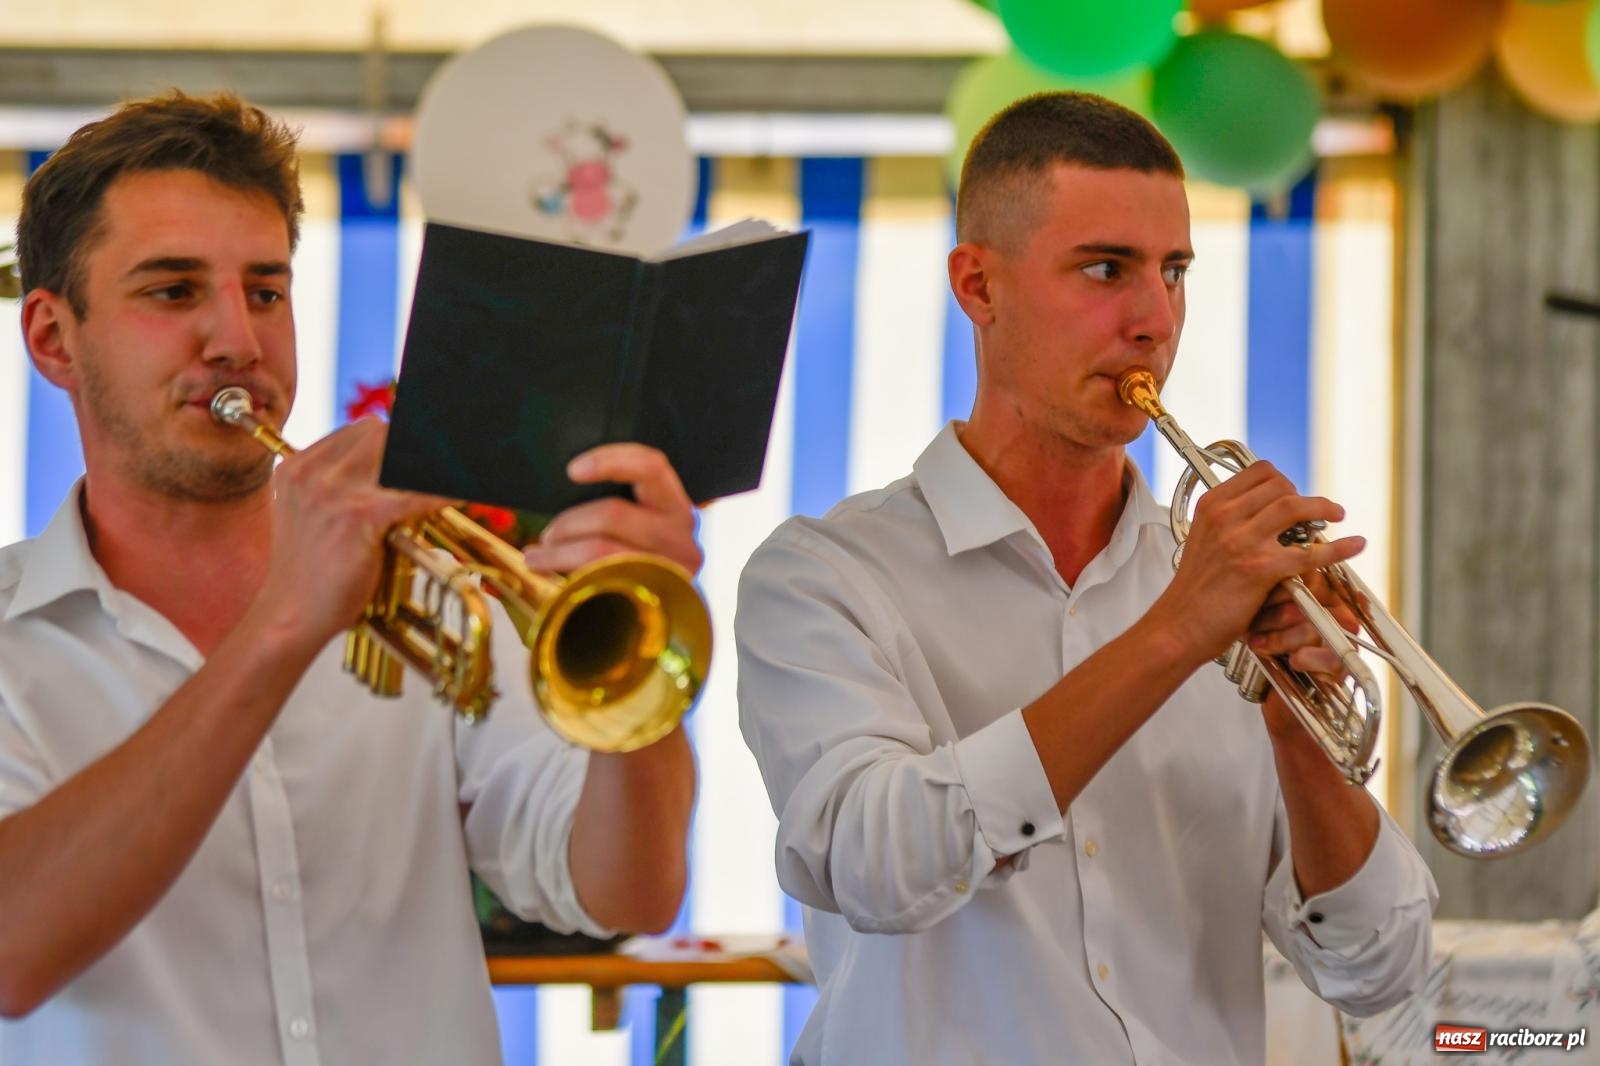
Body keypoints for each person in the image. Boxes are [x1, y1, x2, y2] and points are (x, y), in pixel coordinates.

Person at [736, 92, 1437, 1065]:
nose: (1155, 320)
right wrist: (1171, 634)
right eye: (1105, 269)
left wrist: (1296, 728)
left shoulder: (1213, 583)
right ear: (978, 288)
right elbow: (871, 862)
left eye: (1174, 272)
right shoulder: (824, 574)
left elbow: (1381, 967)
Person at [0, 91, 701, 1064]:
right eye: (172, 291)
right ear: (51, 339)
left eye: (265, 290)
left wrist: (639, 675)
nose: (237, 339)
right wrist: (284, 625)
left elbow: (628, 890)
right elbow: (14, 950)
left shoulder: (432, 590)